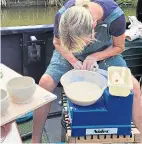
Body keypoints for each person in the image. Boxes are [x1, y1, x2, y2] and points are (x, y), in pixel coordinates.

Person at [31, 0, 142, 142]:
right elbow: (58, 43)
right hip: (68, 52)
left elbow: (119, 47)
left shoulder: (115, 16)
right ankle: (35, 139)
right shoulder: (63, 15)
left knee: (134, 87)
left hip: (104, 53)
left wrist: (93, 57)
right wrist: (73, 60)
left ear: (94, 26)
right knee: (45, 83)